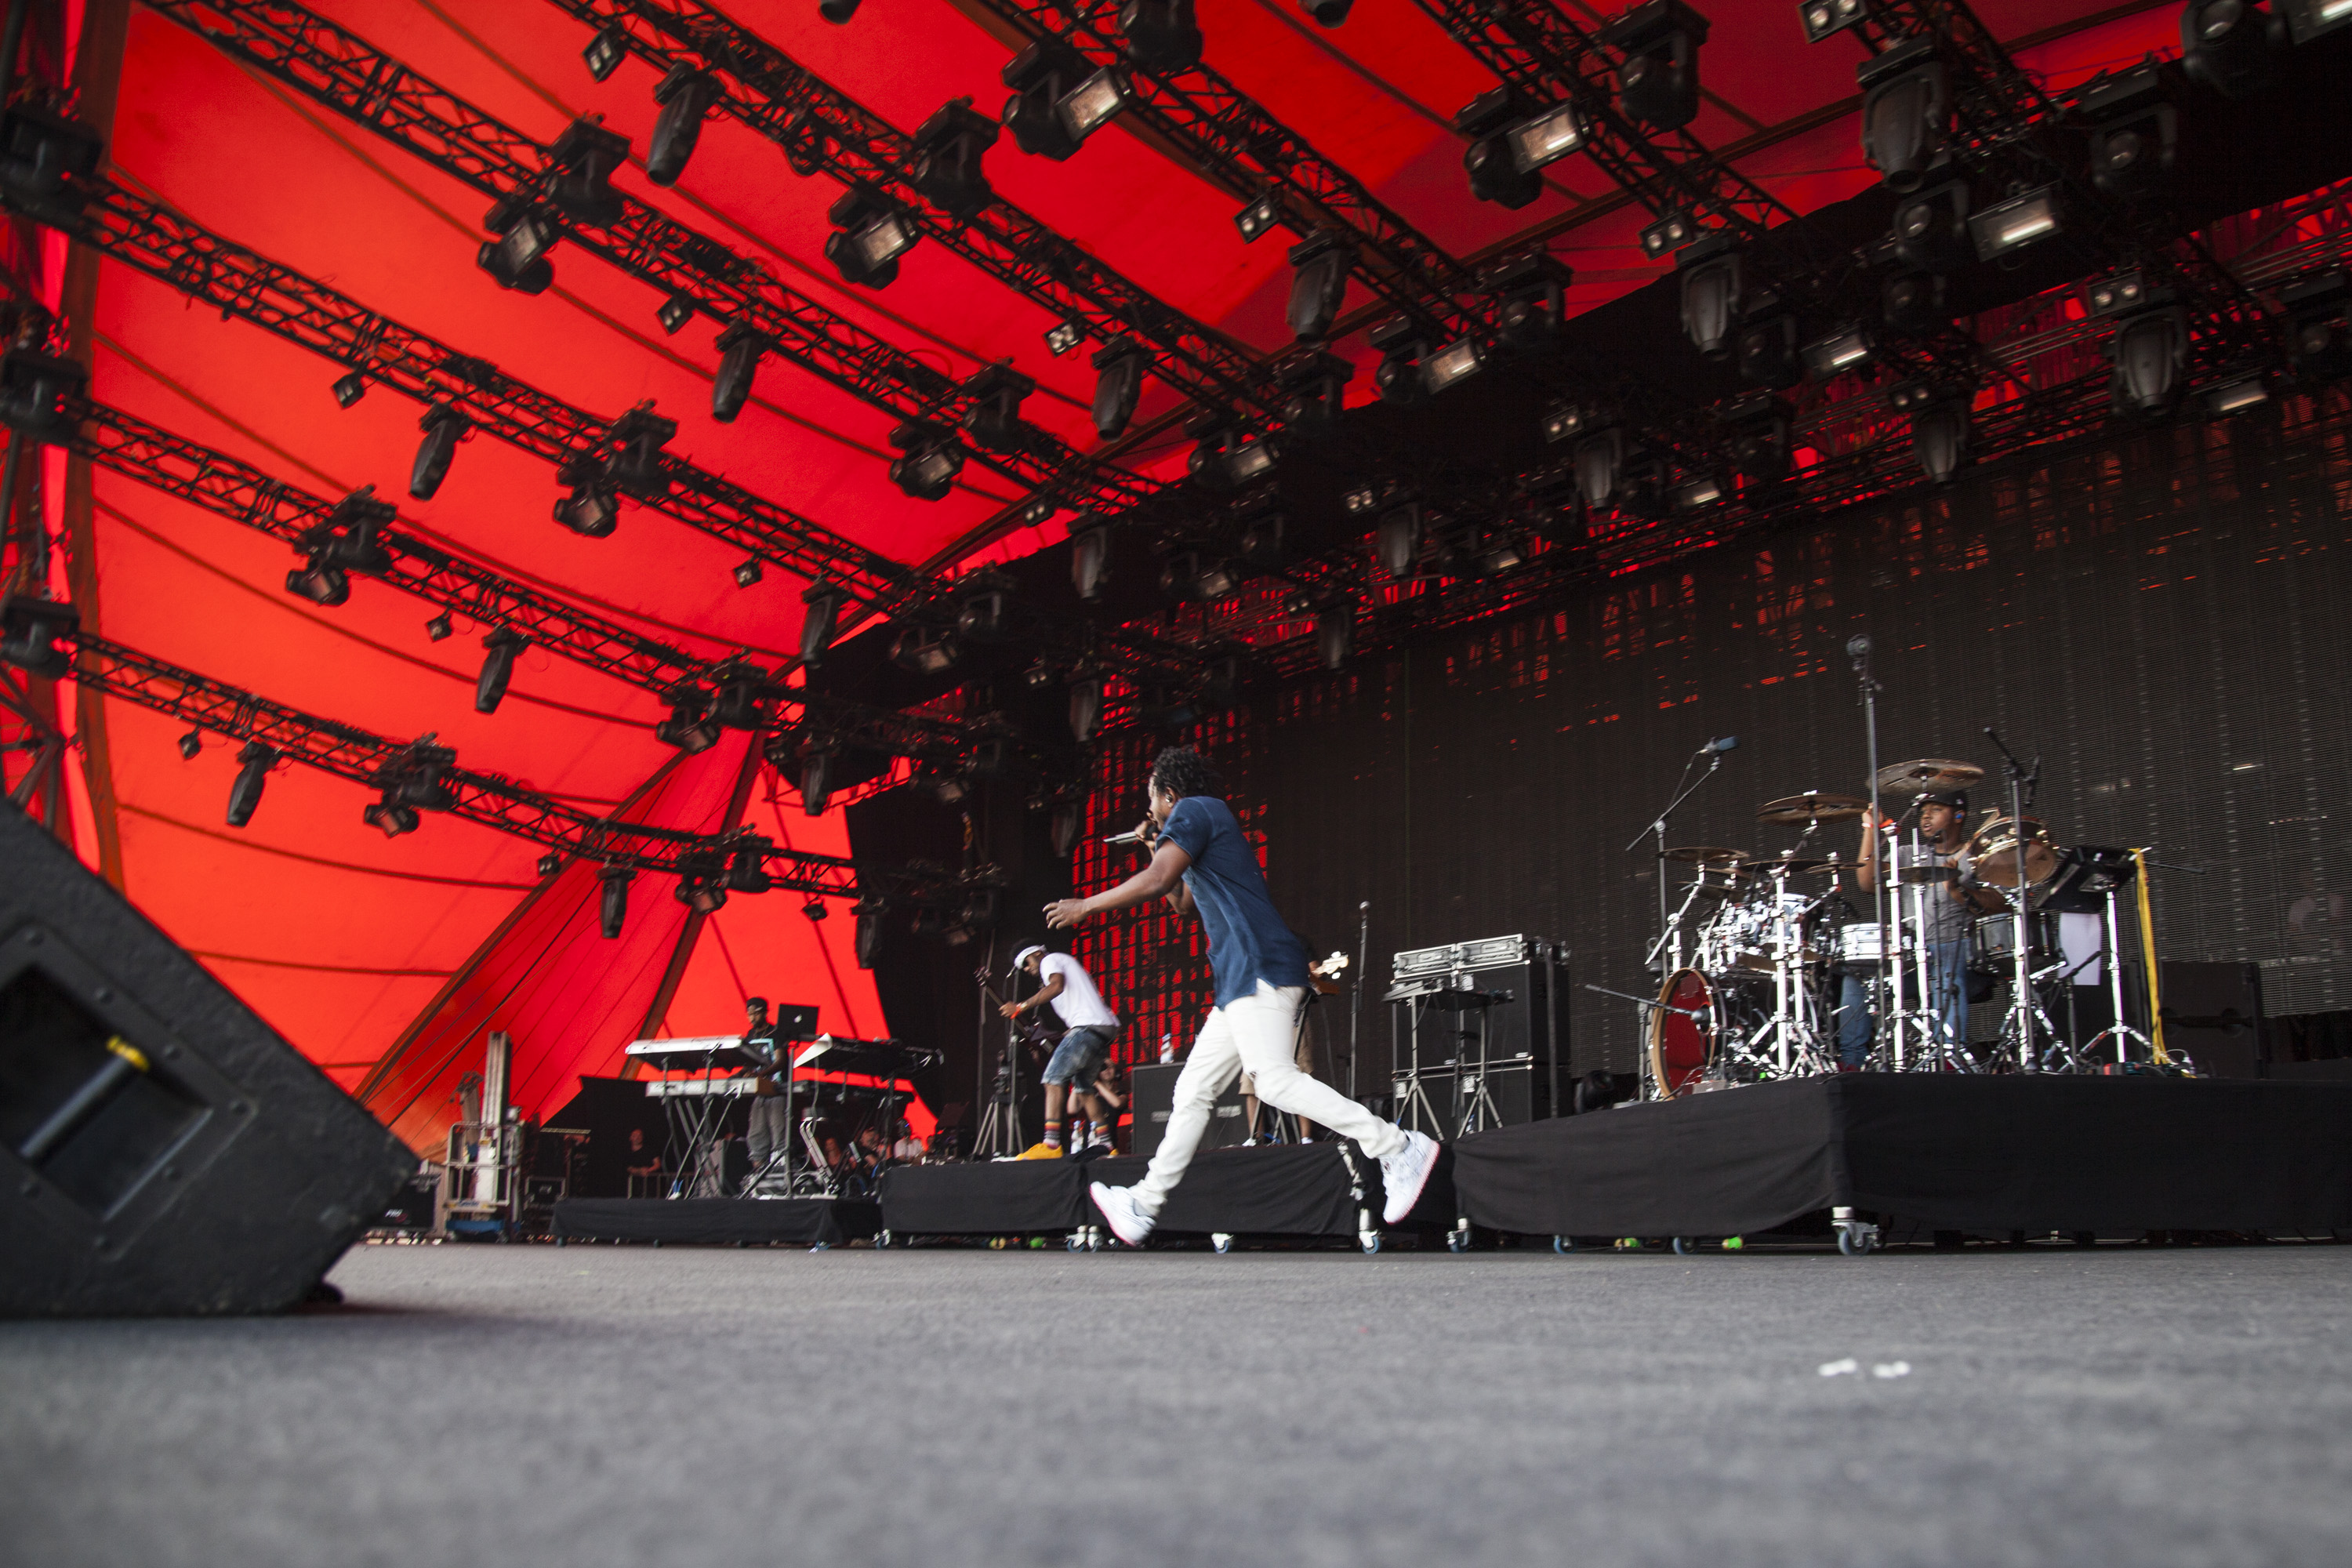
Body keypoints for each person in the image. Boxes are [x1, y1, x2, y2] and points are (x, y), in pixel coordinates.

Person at [1047, 746, 1438, 1245]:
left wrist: (1087, 905)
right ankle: (1144, 1204)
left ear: (1169, 795)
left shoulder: (1196, 809)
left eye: (1152, 799)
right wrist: (1153, 844)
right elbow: (1182, 901)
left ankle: (1398, 1147)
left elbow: (1158, 879)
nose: (1152, 810)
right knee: (1192, 1091)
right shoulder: (1195, 824)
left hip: (1259, 964)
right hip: (1237, 980)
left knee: (1274, 1081)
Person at [1845, 789, 1987, 1062]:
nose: (1926, 817)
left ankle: (1947, 1059)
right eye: (1923, 812)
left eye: (1935, 810)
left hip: (1955, 951)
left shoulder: (1975, 856)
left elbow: (1997, 903)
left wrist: (1958, 890)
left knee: (1948, 972)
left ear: (1959, 814)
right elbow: (1866, 881)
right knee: (1856, 977)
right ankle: (1853, 1063)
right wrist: (1870, 829)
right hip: (1910, 955)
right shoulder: (1909, 852)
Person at [1001, 944, 1122, 1159]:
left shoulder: (1050, 960)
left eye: (1027, 964)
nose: (1028, 970)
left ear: (1036, 954)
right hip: (1102, 1029)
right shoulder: (1066, 962)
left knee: (1052, 1079)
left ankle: (1051, 1145)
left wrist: (1020, 1007)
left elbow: (1056, 986)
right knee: (1084, 1090)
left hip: (1089, 1027)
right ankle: (1107, 1146)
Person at [740, 997, 789, 1188]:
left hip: (777, 1090)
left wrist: (760, 1074)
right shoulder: (751, 1034)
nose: (752, 1017)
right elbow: (748, 1062)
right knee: (756, 1134)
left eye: (755, 1013)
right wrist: (741, 1074)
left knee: (778, 1132)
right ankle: (758, 1183)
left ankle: (780, 1182)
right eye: (749, 1014)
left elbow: (780, 1061)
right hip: (760, 1092)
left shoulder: (776, 1033)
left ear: (764, 1012)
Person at [622, 1127, 662, 1197]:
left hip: (650, 1184)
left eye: (639, 1135)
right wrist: (640, 1171)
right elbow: (629, 1168)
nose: (637, 1138)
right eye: (635, 1136)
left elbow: (658, 1164)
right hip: (633, 1186)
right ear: (631, 1138)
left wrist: (648, 1170)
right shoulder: (627, 1153)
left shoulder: (650, 1150)